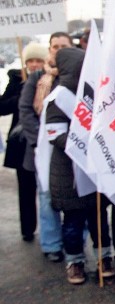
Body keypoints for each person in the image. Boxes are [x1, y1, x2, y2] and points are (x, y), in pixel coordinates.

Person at [44, 47, 114, 284]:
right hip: (68, 172)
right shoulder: (58, 98)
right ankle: (75, 263)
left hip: (94, 170)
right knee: (73, 223)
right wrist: (82, 145)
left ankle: (104, 258)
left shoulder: (93, 94)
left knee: (98, 219)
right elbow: (54, 133)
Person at [18, 31, 72, 263]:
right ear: (49, 50)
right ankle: (52, 244)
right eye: (55, 46)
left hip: (69, 147)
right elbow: (26, 111)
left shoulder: (76, 75)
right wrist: (39, 141)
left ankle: (74, 243)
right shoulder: (38, 78)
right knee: (47, 196)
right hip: (42, 151)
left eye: (64, 46)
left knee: (73, 197)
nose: (58, 50)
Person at [0, 42, 47, 242]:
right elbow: (1, 107)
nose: (34, 64)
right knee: (26, 188)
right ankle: (28, 228)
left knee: (48, 189)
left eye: (38, 60)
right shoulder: (16, 79)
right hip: (21, 141)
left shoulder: (50, 78)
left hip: (46, 139)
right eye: (30, 61)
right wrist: (21, 96)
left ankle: (51, 232)